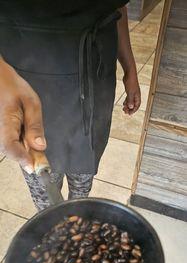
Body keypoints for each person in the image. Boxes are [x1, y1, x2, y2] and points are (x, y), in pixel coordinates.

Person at [0, 1, 141, 210]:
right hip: (27, 75)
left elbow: (117, 7)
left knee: (82, 185)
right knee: (45, 193)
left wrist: (130, 69)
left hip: (95, 79)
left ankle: (78, 212)